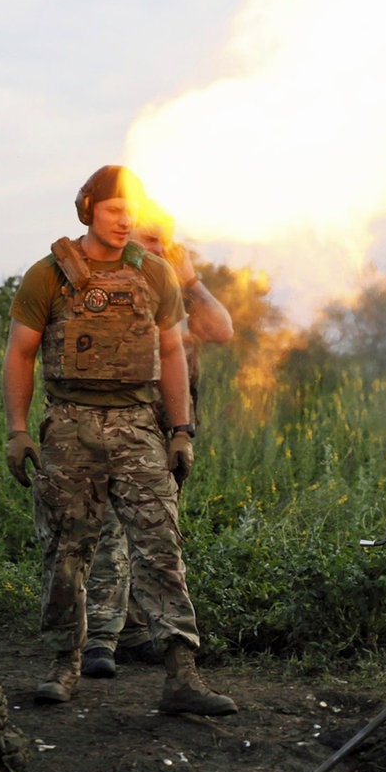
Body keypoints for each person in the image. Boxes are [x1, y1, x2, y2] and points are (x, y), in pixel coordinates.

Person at [2, 165, 237, 716]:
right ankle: (65, 665)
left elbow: (175, 352)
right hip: (69, 426)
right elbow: (20, 353)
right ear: (88, 209)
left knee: (161, 550)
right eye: (113, 210)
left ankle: (182, 675)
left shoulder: (156, 275)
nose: (124, 220)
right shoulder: (48, 276)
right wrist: (16, 430)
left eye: (131, 210)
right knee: (66, 552)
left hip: (138, 428)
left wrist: (181, 431)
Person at [81, 199, 233, 678]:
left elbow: (222, 329)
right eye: (151, 239)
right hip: (124, 427)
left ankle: (130, 633)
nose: (161, 248)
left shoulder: (172, 288)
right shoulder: (114, 285)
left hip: (173, 431)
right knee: (111, 534)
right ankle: (98, 639)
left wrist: (190, 279)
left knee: (152, 535)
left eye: (166, 241)